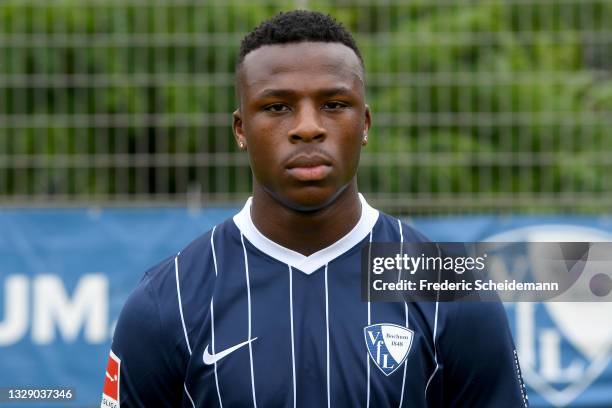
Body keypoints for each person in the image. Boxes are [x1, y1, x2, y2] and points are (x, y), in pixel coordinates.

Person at [101, 10, 528, 408]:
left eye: (334, 105)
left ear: (364, 125)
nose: (307, 127)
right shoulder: (168, 300)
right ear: (240, 129)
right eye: (277, 107)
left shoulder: (448, 289)